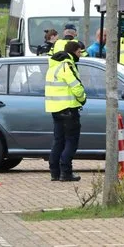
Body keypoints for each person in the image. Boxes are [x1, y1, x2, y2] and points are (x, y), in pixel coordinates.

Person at [45, 40, 86, 182]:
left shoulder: (53, 66)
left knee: (58, 141)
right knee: (71, 141)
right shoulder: (67, 65)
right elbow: (76, 86)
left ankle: (54, 172)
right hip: (69, 109)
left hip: (55, 109)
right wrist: (83, 98)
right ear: (73, 52)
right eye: (79, 52)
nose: (80, 54)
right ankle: (66, 172)